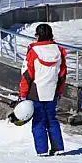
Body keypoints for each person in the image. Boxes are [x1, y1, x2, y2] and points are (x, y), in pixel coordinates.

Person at [17, 23, 67, 156]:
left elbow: (27, 75)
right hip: (53, 91)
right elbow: (62, 75)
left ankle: (42, 150)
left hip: (36, 92)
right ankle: (58, 148)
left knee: (39, 120)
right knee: (52, 119)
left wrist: (22, 95)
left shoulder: (33, 52)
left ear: (37, 36)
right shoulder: (59, 51)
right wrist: (60, 91)